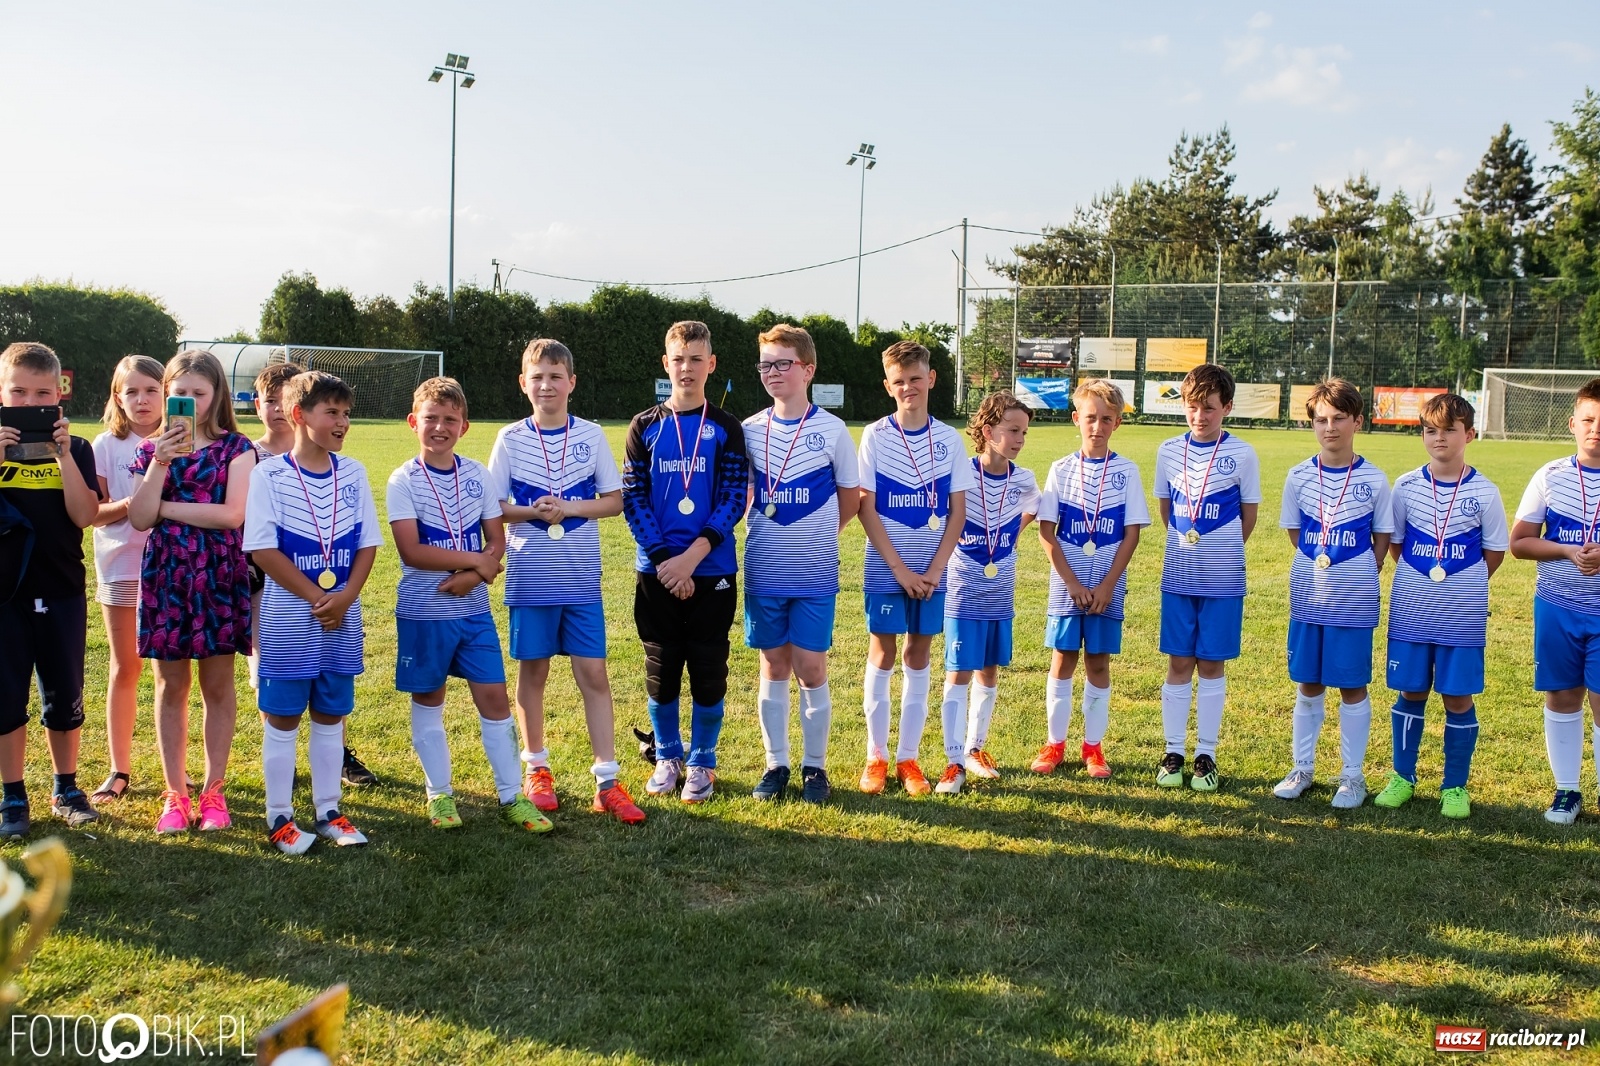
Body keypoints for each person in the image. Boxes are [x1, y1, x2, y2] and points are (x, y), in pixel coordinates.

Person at [488, 339, 644, 824]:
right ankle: (536, 768)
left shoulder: (592, 435)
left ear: (571, 383)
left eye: (556, 376)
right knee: (532, 674)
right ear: (523, 384)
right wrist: (533, 511)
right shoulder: (510, 439)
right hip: (530, 578)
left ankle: (607, 780)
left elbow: (614, 501)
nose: (546, 385)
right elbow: (491, 506)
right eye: (537, 376)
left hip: (580, 582)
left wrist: (570, 507)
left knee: (593, 675)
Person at [390, 376, 552, 833]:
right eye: (431, 419)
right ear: (413, 423)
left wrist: (478, 571)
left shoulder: (478, 475)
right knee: (430, 697)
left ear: (464, 427)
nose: (439, 427)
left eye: (450, 420)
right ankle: (440, 795)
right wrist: (475, 566)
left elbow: (497, 539)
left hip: (473, 612)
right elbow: (412, 551)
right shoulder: (402, 480)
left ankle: (511, 797)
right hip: (425, 611)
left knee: (495, 699)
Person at [244, 371, 382, 853]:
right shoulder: (268, 474)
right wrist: (317, 597)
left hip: (342, 617)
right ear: (299, 415)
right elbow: (262, 549)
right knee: (282, 718)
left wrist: (344, 598)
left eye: (346, 413)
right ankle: (279, 816)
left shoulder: (355, 473)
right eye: (332, 412)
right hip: (289, 620)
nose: (342, 422)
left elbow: (368, 543)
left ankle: (328, 809)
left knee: (330, 714)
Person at [127, 349, 257, 833]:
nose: (187, 401)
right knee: (170, 685)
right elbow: (140, 517)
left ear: (216, 395)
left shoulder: (237, 448)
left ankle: (214, 792)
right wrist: (159, 463)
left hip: (218, 574)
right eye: (178, 393)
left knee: (217, 686)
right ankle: (175, 794)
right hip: (166, 574)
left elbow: (231, 516)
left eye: (197, 393)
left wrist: (168, 509)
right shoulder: (150, 450)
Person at [622, 321, 748, 804]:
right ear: (666, 363)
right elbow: (634, 498)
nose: (687, 368)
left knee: (709, 665)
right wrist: (664, 561)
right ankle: (669, 755)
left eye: (697, 359)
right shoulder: (644, 425)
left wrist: (692, 558)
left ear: (711, 365)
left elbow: (733, 497)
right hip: (655, 570)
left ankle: (702, 761)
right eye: (679, 358)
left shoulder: (726, 427)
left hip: (712, 569)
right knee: (662, 663)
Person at [742, 324, 860, 804]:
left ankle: (815, 768)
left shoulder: (831, 430)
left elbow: (850, 499)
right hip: (764, 571)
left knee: (811, 667)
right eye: (766, 364)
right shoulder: (748, 430)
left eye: (783, 363)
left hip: (814, 572)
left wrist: (818, 537)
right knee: (773, 664)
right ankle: (777, 764)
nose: (773, 373)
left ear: (807, 369)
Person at [1373, 393, 1506, 819]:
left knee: (1457, 696)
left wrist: (1458, 582)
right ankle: (1402, 777)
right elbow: (1396, 544)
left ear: (1469, 434)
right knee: (1411, 689)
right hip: (1412, 607)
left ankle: (1454, 787)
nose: (1440, 438)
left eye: (1450, 430)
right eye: (1431, 430)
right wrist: (1425, 578)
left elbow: (1495, 553)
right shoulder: (1407, 486)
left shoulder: (1485, 492)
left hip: (1462, 612)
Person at [856, 340, 973, 796]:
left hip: (933, 571)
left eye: (916, 379)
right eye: (899, 381)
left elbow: (957, 512)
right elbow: (867, 508)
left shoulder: (948, 439)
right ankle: (876, 756)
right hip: (888, 568)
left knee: (919, 657)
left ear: (931, 380)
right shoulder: (875, 435)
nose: (909, 387)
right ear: (888, 386)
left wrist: (936, 569)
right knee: (883, 655)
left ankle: (908, 758)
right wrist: (902, 571)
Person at [1270, 378, 1392, 809]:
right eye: (1321, 420)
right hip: (1308, 594)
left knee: (1352, 685)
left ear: (1358, 420)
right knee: (1307, 683)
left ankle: (1352, 777)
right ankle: (1302, 767)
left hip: (1354, 598)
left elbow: (1381, 539)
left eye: (1339, 418)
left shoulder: (1375, 480)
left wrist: (1358, 571)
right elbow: (1294, 531)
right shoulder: (1298, 476)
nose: (1330, 428)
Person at [0, 341, 104, 838]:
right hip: (4, 596)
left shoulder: (78, 448)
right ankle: (13, 796)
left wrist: (63, 456)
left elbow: (85, 516)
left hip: (61, 589)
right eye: (17, 392)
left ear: (58, 396)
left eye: (41, 393)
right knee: (5, 698)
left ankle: (66, 787)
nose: (28, 402)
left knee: (63, 696)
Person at [1153, 364, 1261, 792]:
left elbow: (1248, 517)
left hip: (1223, 580)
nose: (1200, 416)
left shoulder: (1244, 454)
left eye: (1210, 409)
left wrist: (1220, 552)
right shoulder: (1166, 450)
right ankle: (1173, 751)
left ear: (1227, 408)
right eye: (1193, 407)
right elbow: (1167, 510)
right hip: (1179, 576)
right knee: (1179, 662)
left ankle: (1207, 755)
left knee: (1212, 663)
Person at [1033, 379, 1148, 779]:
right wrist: (1072, 584)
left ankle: (1093, 749)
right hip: (1068, 587)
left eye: (1105, 419)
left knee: (1098, 665)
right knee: (1062, 660)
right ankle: (1055, 744)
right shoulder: (1060, 470)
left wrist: (1106, 586)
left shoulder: (1127, 471)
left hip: (1105, 588)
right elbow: (1047, 532)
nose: (1096, 426)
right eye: (1089, 418)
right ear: (1075, 419)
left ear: (1116, 423)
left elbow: (1131, 534)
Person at [935, 390, 1038, 795]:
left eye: (1024, 433)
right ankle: (953, 761)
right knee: (958, 672)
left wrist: (1012, 533)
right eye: (1013, 430)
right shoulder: (961, 472)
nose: (1019, 439)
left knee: (989, 670)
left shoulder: (1023, 478)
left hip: (1001, 592)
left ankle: (977, 750)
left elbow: (1034, 506)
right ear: (989, 429)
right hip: (963, 589)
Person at [1510, 376, 1600, 825]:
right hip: (1557, 607)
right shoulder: (1551, 476)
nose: (1596, 428)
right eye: (1588, 418)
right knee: (1563, 697)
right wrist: (1565, 550)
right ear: (1572, 423)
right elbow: (1520, 543)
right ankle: (1567, 791)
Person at [88, 354, 165, 804]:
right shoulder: (105, 445)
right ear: (118, 396)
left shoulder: (180, 439)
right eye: (130, 391)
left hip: (170, 567)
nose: (141, 399)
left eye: (151, 390)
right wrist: (136, 505)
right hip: (119, 566)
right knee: (125, 668)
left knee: (168, 675)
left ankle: (172, 768)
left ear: (166, 394)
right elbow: (93, 513)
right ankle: (119, 770)